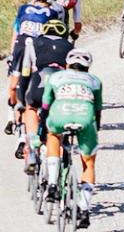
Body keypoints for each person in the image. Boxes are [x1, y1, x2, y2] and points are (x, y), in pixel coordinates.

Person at [38, 49, 103, 228]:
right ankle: (84, 208)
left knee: (53, 136)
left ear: (67, 64)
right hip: (85, 117)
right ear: (88, 67)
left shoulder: (56, 77)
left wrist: (42, 128)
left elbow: (45, 105)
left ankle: (52, 184)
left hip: (61, 114)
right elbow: (97, 111)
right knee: (88, 163)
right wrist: (93, 132)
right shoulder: (95, 81)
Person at [10, 14, 74, 163]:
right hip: (60, 87)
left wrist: (21, 96)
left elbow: (25, 71)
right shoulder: (70, 46)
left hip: (39, 84)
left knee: (31, 107)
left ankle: (32, 146)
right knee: (56, 117)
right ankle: (61, 143)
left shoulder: (33, 43)